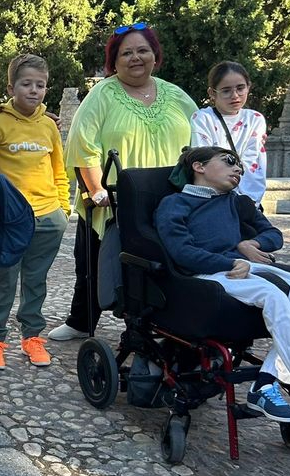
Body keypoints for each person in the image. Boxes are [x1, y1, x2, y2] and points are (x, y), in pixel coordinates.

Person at [155, 146, 290, 425]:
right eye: (230, 162)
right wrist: (229, 263)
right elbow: (181, 252)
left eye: (241, 167)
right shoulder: (175, 204)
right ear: (199, 166)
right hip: (206, 274)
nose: (238, 170)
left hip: (241, 265)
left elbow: (274, 235)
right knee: (273, 293)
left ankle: (265, 383)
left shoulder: (236, 202)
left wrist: (251, 244)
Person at [49, 23, 197, 342]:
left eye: (142, 50)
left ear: (155, 56)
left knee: (161, 264)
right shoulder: (102, 95)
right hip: (112, 198)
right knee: (93, 263)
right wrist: (95, 189)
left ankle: (160, 323)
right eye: (126, 52)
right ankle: (81, 320)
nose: (135, 58)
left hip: (168, 197)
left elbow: (202, 138)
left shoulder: (176, 96)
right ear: (114, 61)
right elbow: (83, 145)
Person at [0, 55, 70, 370]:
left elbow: (59, 169)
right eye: (26, 84)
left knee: (36, 281)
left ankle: (32, 338)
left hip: (49, 218)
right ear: (11, 87)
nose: (34, 91)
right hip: (11, 221)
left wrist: (63, 208)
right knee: (5, 280)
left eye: (41, 85)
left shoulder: (49, 126)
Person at [190, 61, 268, 205]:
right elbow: (203, 156)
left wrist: (247, 199)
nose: (235, 95)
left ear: (248, 87)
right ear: (212, 93)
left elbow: (252, 160)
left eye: (240, 88)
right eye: (226, 90)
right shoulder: (202, 118)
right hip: (212, 197)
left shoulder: (255, 119)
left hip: (247, 196)